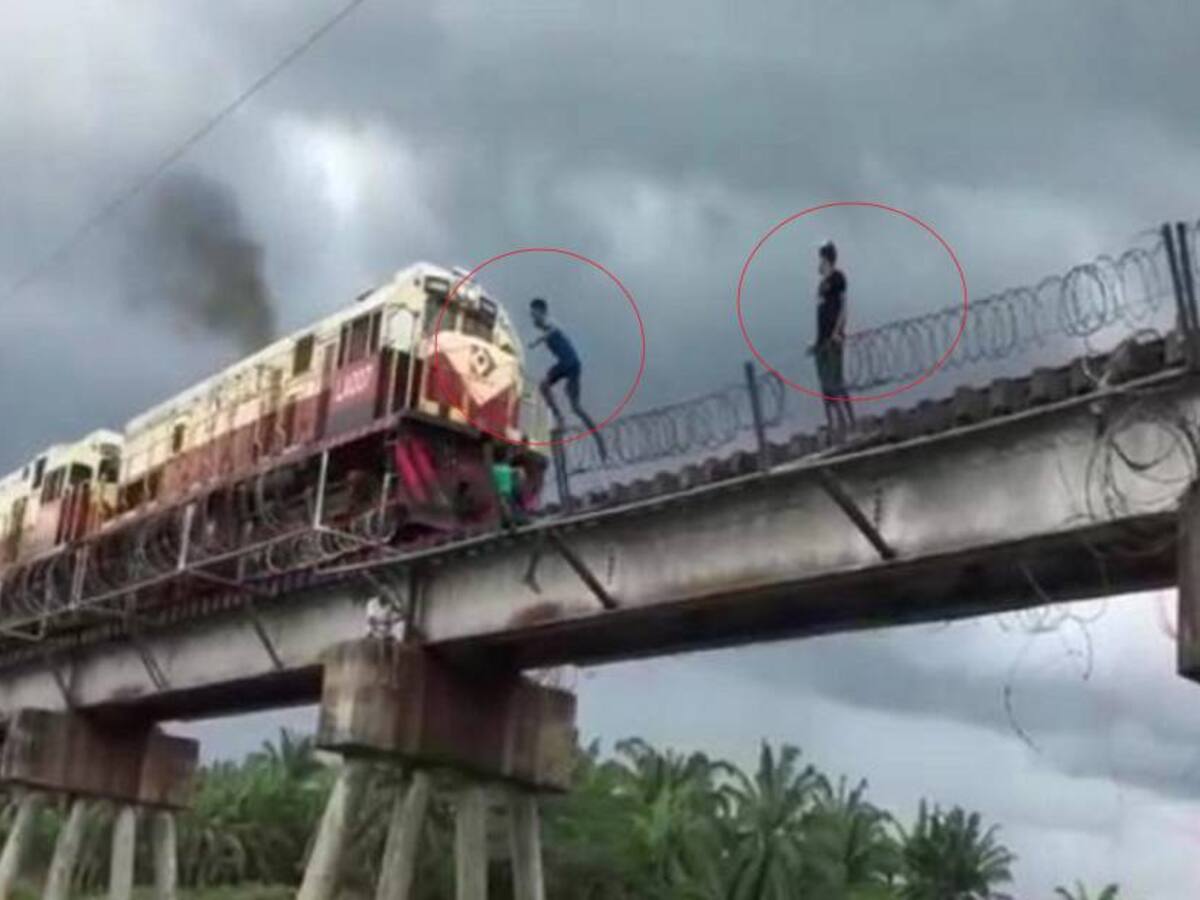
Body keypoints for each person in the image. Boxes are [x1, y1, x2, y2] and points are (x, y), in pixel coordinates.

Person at [528, 298, 608, 460]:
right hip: (573, 364)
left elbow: (553, 329)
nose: (532, 317)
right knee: (576, 406)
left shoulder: (549, 322)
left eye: (534, 313)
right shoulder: (545, 326)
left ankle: (560, 418)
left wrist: (538, 340)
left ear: (541, 311)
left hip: (568, 362)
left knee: (544, 386)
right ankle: (599, 441)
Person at [809, 240, 856, 436]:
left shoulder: (838, 278)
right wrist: (815, 342)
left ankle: (849, 422)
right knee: (825, 384)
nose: (818, 264)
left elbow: (843, 307)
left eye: (821, 259)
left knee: (836, 380)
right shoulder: (821, 285)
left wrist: (838, 332)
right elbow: (821, 313)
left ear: (827, 259)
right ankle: (834, 424)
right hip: (821, 341)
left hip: (833, 338)